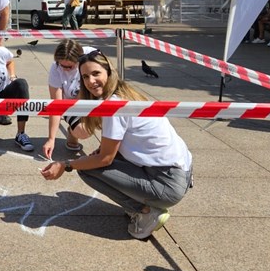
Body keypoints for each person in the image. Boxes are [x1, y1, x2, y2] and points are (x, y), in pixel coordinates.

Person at [40, 50, 192, 240]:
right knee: (91, 160)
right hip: (180, 172)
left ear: (108, 71)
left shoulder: (114, 105)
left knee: (85, 168)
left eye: (96, 74)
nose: (90, 81)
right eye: (85, 76)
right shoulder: (125, 92)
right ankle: (144, 204)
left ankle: (145, 212)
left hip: (167, 183)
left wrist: (65, 165)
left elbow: (105, 159)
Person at [42, 39, 95, 159]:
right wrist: (51, 139)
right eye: (62, 65)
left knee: (111, 120)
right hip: (70, 104)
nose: (65, 69)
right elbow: (56, 106)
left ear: (79, 60)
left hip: (94, 98)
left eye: (70, 67)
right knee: (84, 131)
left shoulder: (92, 56)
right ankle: (73, 131)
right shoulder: (55, 69)